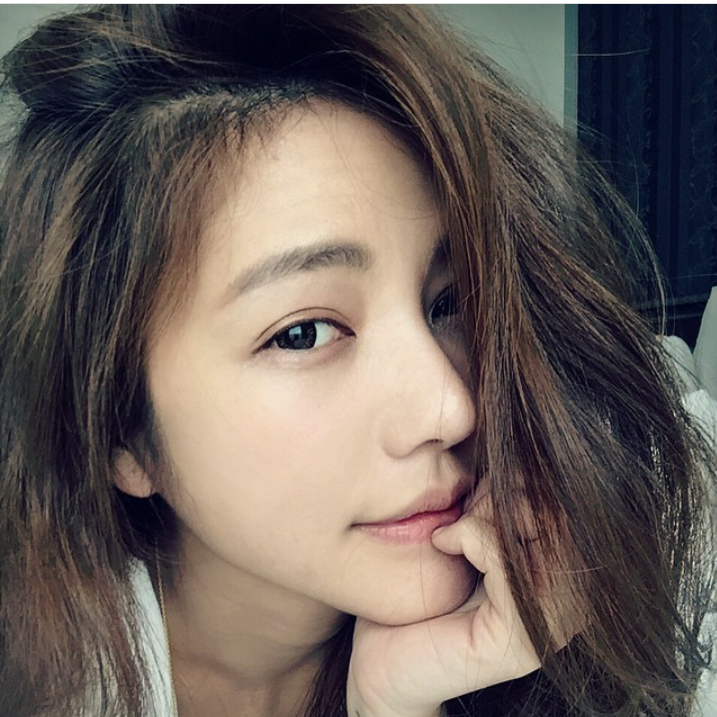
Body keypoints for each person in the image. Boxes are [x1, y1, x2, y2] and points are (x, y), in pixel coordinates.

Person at [0, 5, 714, 717]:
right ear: (122, 432)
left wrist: (394, 706)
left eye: (449, 301)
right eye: (304, 333)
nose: (450, 407)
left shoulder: (592, 597)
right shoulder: (38, 682)